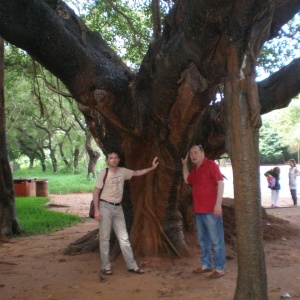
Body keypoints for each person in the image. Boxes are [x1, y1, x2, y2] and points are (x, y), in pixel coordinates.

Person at [93, 150, 159, 278]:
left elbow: (136, 173)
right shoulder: (103, 173)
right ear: (107, 161)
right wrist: (96, 210)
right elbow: (96, 192)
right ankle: (105, 266)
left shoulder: (123, 171)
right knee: (105, 238)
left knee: (124, 238)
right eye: (111, 158)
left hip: (118, 208)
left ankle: (132, 265)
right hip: (105, 206)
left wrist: (152, 167)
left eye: (115, 158)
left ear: (118, 160)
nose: (113, 160)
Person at [181, 145, 226, 279]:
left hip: (212, 210)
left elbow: (220, 183)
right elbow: (186, 179)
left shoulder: (211, 165)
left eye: (195, 153)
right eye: (191, 154)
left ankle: (220, 268)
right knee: (203, 240)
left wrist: (218, 204)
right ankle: (206, 265)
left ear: (202, 153)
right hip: (199, 211)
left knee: (216, 240)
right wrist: (184, 165)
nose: (193, 155)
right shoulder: (196, 169)